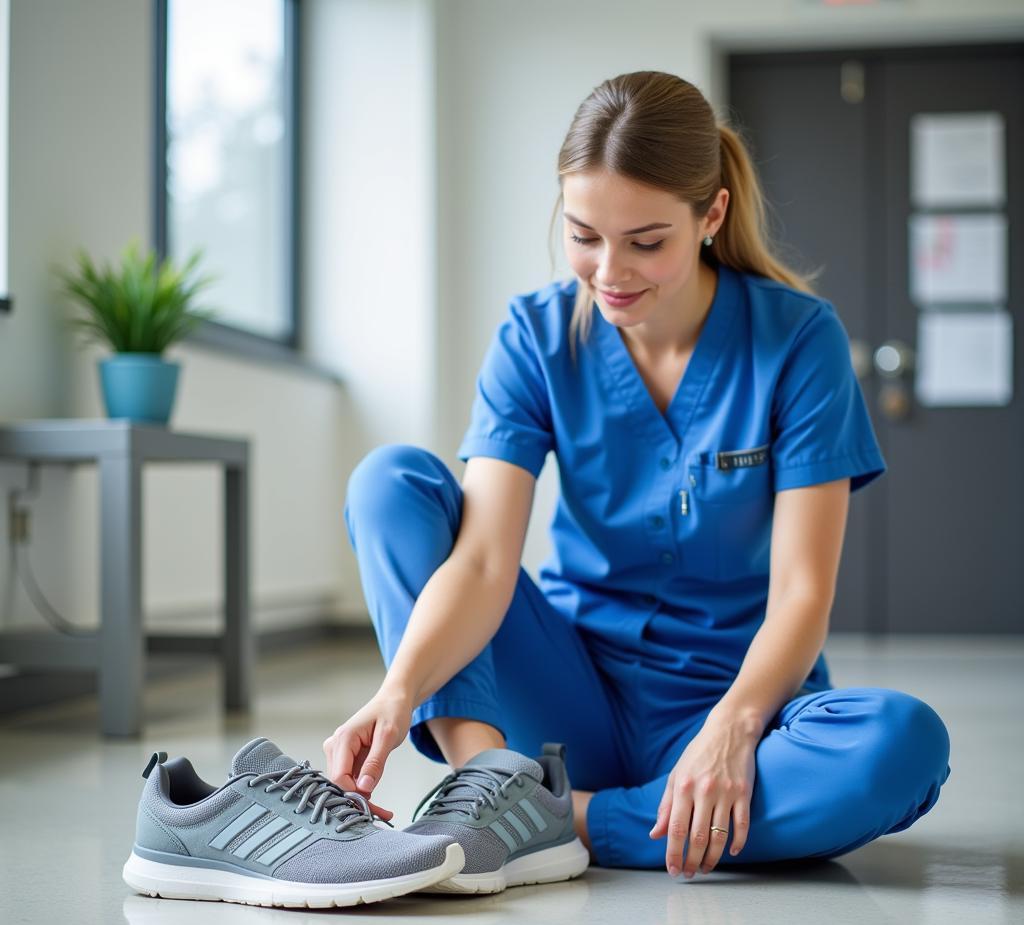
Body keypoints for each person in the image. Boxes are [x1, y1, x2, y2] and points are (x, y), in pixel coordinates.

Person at [325, 70, 952, 884]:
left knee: (902, 745)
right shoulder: (535, 336)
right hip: (568, 689)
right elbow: (482, 564)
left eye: (645, 242)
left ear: (711, 215)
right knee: (391, 483)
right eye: (584, 235)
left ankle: (561, 821)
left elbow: (802, 595)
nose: (609, 271)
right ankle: (490, 790)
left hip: (730, 703)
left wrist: (733, 729)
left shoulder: (800, 342)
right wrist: (399, 690)